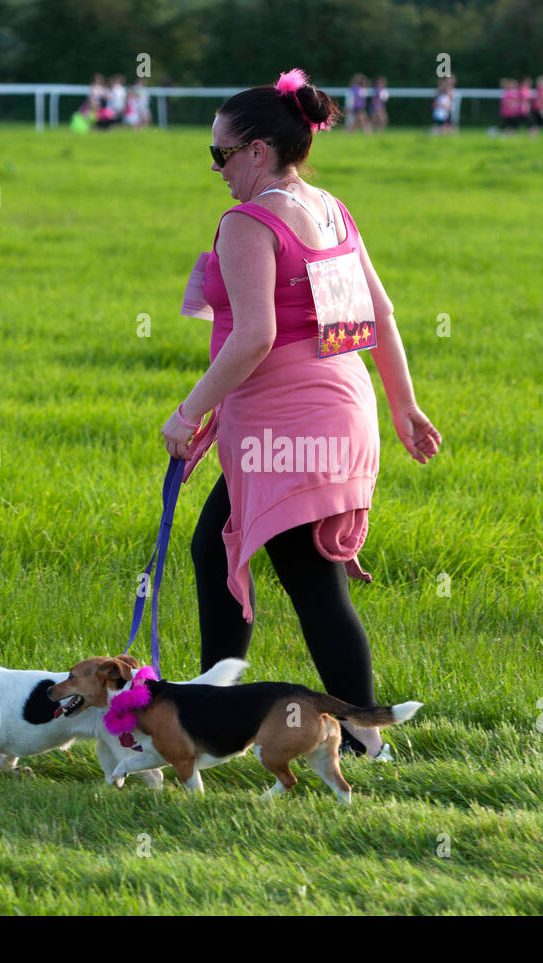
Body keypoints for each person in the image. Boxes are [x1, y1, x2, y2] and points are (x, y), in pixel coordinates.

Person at [161, 67, 441, 760]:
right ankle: (218, 709)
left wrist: (187, 411)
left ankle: (357, 731)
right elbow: (382, 314)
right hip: (343, 412)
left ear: (259, 150)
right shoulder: (330, 207)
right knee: (220, 545)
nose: (218, 169)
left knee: (307, 578)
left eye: (221, 153)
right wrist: (404, 407)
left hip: (288, 424)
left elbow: (254, 336)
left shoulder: (250, 221)